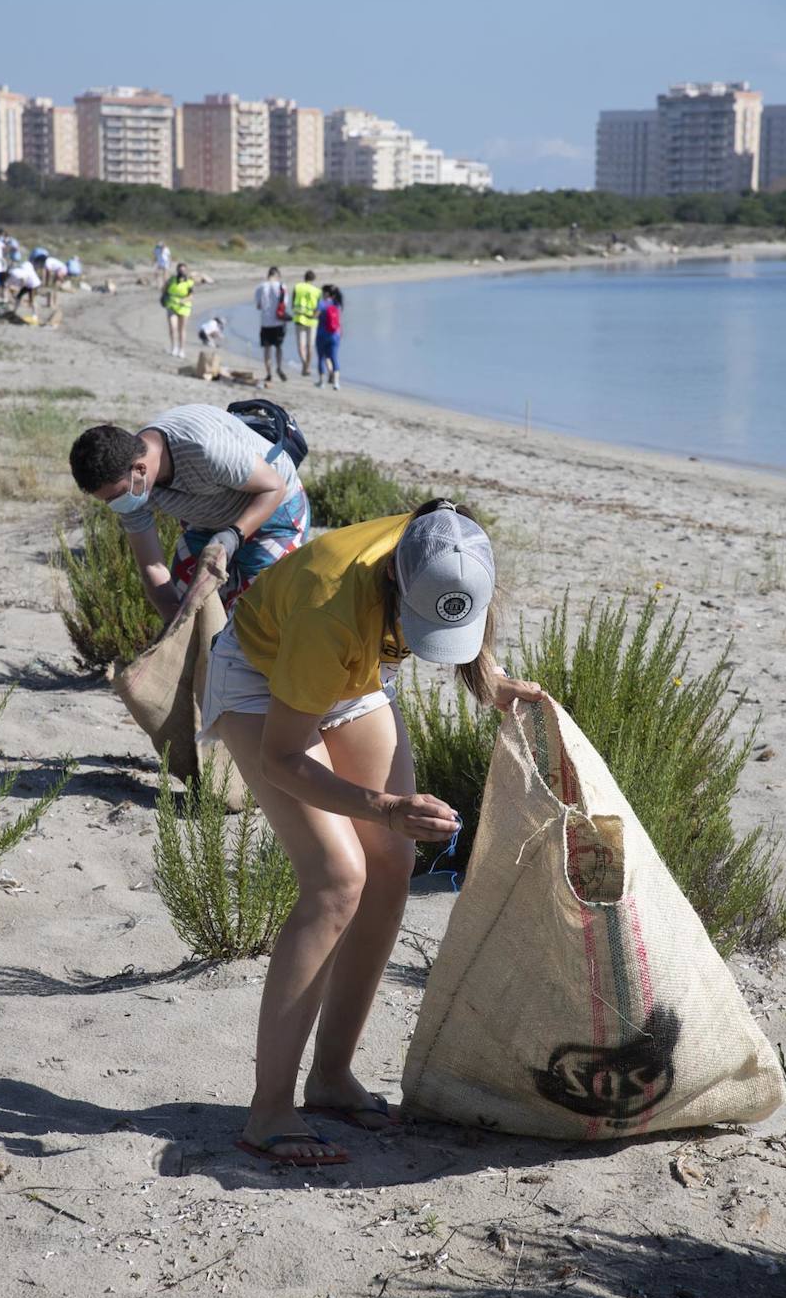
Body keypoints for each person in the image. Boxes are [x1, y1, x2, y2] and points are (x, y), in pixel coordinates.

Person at [200, 499, 540, 1165]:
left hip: (351, 676)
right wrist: (383, 805)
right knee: (336, 879)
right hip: (262, 679)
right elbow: (282, 759)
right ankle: (270, 1111)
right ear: (391, 583)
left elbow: (459, 615)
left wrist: (489, 681)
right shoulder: (333, 608)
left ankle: (331, 1079)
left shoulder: (453, 548)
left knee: (392, 862)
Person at [68, 403, 310, 622]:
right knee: (192, 602)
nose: (114, 505)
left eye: (114, 496)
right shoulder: (130, 489)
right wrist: (176, 624)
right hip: (206, 523)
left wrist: (234, 535)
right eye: (107, 500)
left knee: (258, 612)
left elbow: (274, 485)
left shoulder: (205, 448)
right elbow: (152, 567)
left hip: (274, 512)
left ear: (140, 468)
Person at [254, 265, 288, 385]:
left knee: (267, 349)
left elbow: (258, 306)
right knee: (278, 347)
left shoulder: (260, 287)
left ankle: (269, 373)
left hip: (265, 322)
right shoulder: (281, 286)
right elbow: (285, 304)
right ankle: (279, 367)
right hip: (278, 322)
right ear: (277, 275)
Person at [162, 262, 195, 359]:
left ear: (186, 271)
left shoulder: (189, 282)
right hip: (172, 306)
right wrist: (164, 296)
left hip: (184, 307)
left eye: (184, 270)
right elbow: (164, 290)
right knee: (173, 328)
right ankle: (174, 347)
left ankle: (182, 350)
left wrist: (183, 300)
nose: (182, 272)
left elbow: (191, 296)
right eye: (180, 270)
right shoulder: (171, 280)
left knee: (182, 329)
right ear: (177, 270)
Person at [292, 269, 321, 376]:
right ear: (313, 279)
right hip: (312, 320)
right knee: (310, 345)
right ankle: (307, 366)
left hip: (299, 318)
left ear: (304, 278)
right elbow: (319, 308)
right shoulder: (317, 291)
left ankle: (304, 364)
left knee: (301, 345)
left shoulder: (297, 287)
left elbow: (293, 303)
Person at [315, 284, 343, 391]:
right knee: (334, 358)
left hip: (322, 334)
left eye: (323, 292)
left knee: (321, 358)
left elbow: (315, 315)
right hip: (335, 334)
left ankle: (322, 382)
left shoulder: (322, 303)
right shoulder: (337, 304)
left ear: (326, 293)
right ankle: (336, 383)